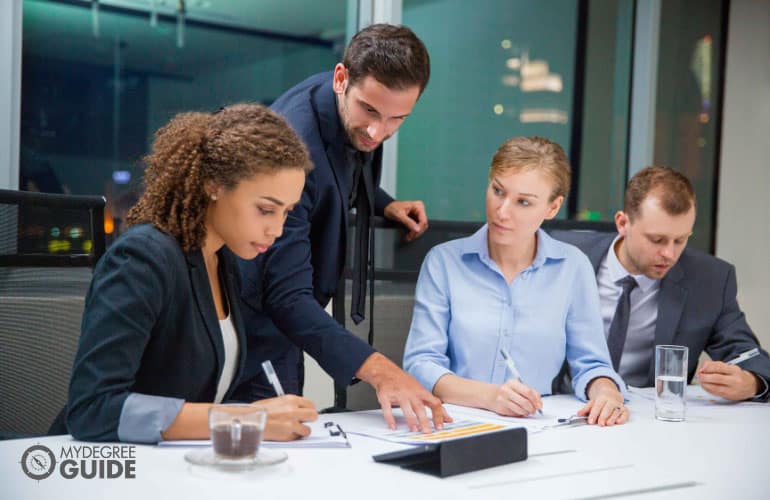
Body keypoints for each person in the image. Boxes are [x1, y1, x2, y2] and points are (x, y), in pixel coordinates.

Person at [235, 24, 450, 433]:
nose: (377, 131)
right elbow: (284, 296)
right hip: (253, 324)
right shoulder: (294, 152)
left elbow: (346, 165)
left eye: (396, 119)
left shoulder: (353, 103)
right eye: (369, 111)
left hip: (289, 318)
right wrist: (382, 370)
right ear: (340, 78)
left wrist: (382, 202)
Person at [65, 104, 319, 443]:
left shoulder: (222, 260)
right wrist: (245, 419)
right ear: (213, 184)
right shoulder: (142, 259)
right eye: (265, 209)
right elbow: (93, 409)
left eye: (286, 212)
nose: (276, 229)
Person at [403, 137, 629, 426]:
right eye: (498, 191)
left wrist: (607, 393)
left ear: (552, 208)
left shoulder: (573, 268)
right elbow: (421, 364)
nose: (502, 211)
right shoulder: (444, 262)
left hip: (538, 427)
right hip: (455, 424)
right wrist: (491, 397)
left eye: (523, 202)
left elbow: (592, 364)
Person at [554, 166, 770, 401]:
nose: (669, 253)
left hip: (648, 418)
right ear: (622, 223)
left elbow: (748, 355)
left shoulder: (710, 280)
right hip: (565, 405)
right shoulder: (564, 255)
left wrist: (752, 382)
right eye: (657, 240)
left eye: (680, 240)